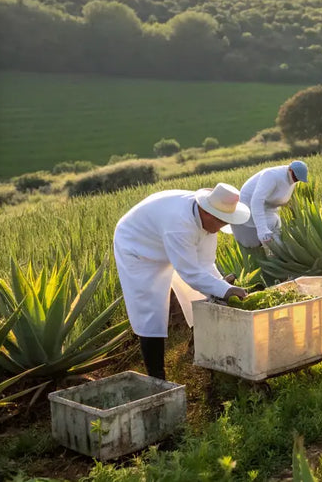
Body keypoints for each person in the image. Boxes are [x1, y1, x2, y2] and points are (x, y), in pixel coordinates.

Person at [113, 183, 251, 379]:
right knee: (150, 311)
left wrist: (222, 286)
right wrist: (224, 289)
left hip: (163, 237)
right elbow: (190, 272)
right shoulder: (179, 224)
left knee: (200, 296)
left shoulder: (208, 222)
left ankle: (205, 350)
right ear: (208, 213)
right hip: (138, 248)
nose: (221, 228)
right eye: (221, 222)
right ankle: (157, 376)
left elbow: (204, 263)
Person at [231, 160, 308, 248]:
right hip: (251, 209)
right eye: (295, 177)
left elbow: (281, 196)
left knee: (277, 237)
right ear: (290, 169)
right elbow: (256, 201)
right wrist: (262, 230)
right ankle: (270, 254)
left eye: (298, 179)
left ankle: (278, 254)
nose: (295, 180)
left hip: (270, 210)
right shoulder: (271, 176)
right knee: (261, 242)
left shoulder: (292, 179)